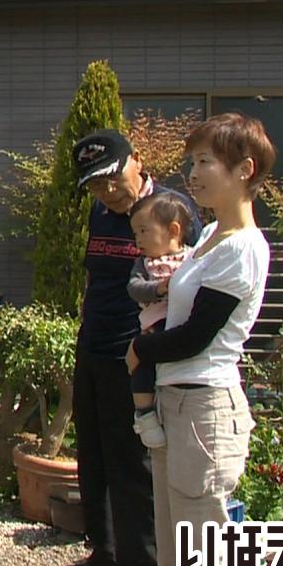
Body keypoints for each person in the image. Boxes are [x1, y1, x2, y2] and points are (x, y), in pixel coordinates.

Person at [126, 112, 275, 566]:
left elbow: (195, 335)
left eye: (205, 161)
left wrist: (139, 349)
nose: (192, 174)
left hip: (206, 408)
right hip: (178, 402)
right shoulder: (210, 236)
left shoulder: (244, 248)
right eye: (192, 161)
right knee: (174, 562)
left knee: (205, 565)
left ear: (244, 170)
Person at [61, 130, 202, 566]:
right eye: (95, 185)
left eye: (111, 179)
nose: (106, 191)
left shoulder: (171, 211)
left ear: (136, 161)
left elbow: (195, 283)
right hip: (93, 347)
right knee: (94, 460)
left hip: (137, 357)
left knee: (133, 466)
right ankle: (104, 558)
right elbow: (95, 280)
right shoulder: (100, 212)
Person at [126, 192, 195, 448]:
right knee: (141, 370)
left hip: (184, 328)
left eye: (144, 231)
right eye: (135, 233)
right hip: (154, 328)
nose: (138, 239)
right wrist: (158, 288)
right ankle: (144, 414)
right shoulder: (144, 265)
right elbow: (134, 288)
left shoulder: (193, 258)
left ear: (173, 230)